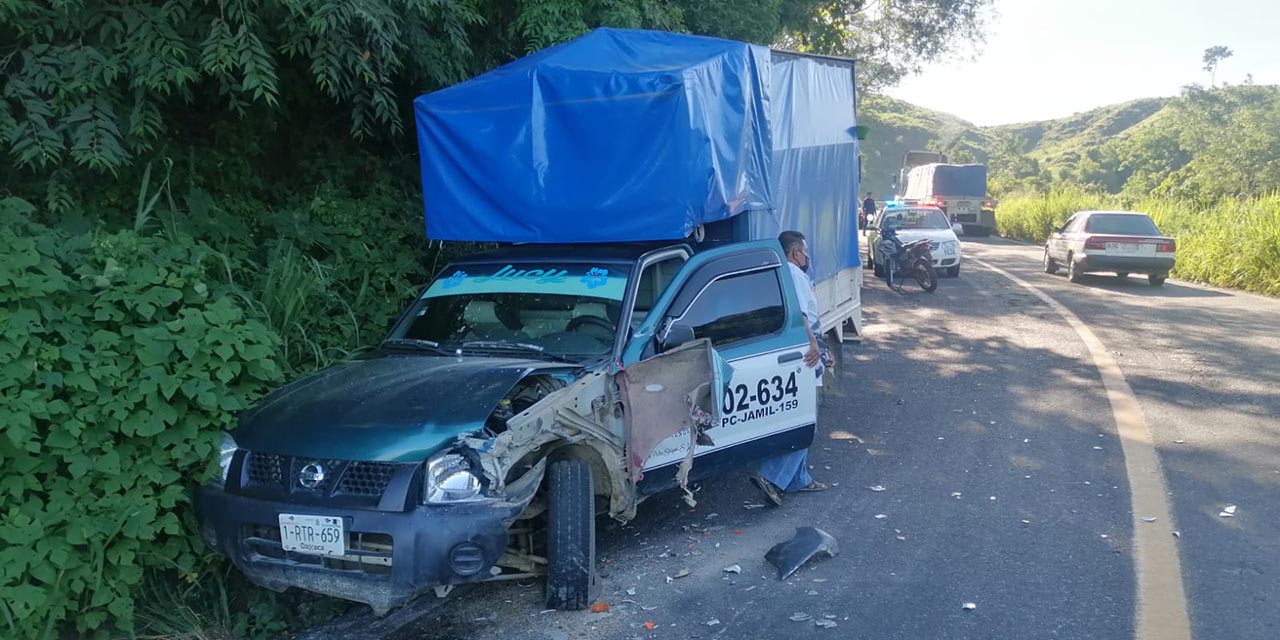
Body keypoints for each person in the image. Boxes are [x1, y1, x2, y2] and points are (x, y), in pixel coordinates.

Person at [750, 231, 829, 506]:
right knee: (805, 420)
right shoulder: (794, 275)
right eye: (805, 253)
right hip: (804, 354)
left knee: (800, 416)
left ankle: (799, 480)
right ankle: (771, 476)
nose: (807, 257)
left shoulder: (778, 273)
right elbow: (801, 315)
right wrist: (813, 345)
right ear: (796, 253)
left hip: (796, 353)